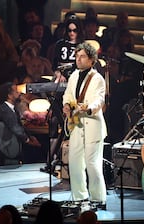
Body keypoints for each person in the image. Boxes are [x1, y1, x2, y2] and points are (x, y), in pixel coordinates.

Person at [62, 42, 107, 209]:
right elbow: (67, 95)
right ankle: (79, 197)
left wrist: (88, 108)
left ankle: (98, 198)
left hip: (93, 125)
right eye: (77, 56)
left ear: (91, 60)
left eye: (82, 56)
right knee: (74, 162)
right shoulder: (73, 76)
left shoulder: (97, 79)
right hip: (76, 124)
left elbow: (99, 100)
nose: (78, 59)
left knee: (92, 164)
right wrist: (66, 105)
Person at [0, 82, 41, 166]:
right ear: (9, 95)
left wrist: (30, 136)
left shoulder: (13, 109)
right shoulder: (4, 110)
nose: (19, 93)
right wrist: (28, 140)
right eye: (16, 91)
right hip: (9, 147)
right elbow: (15, 127)